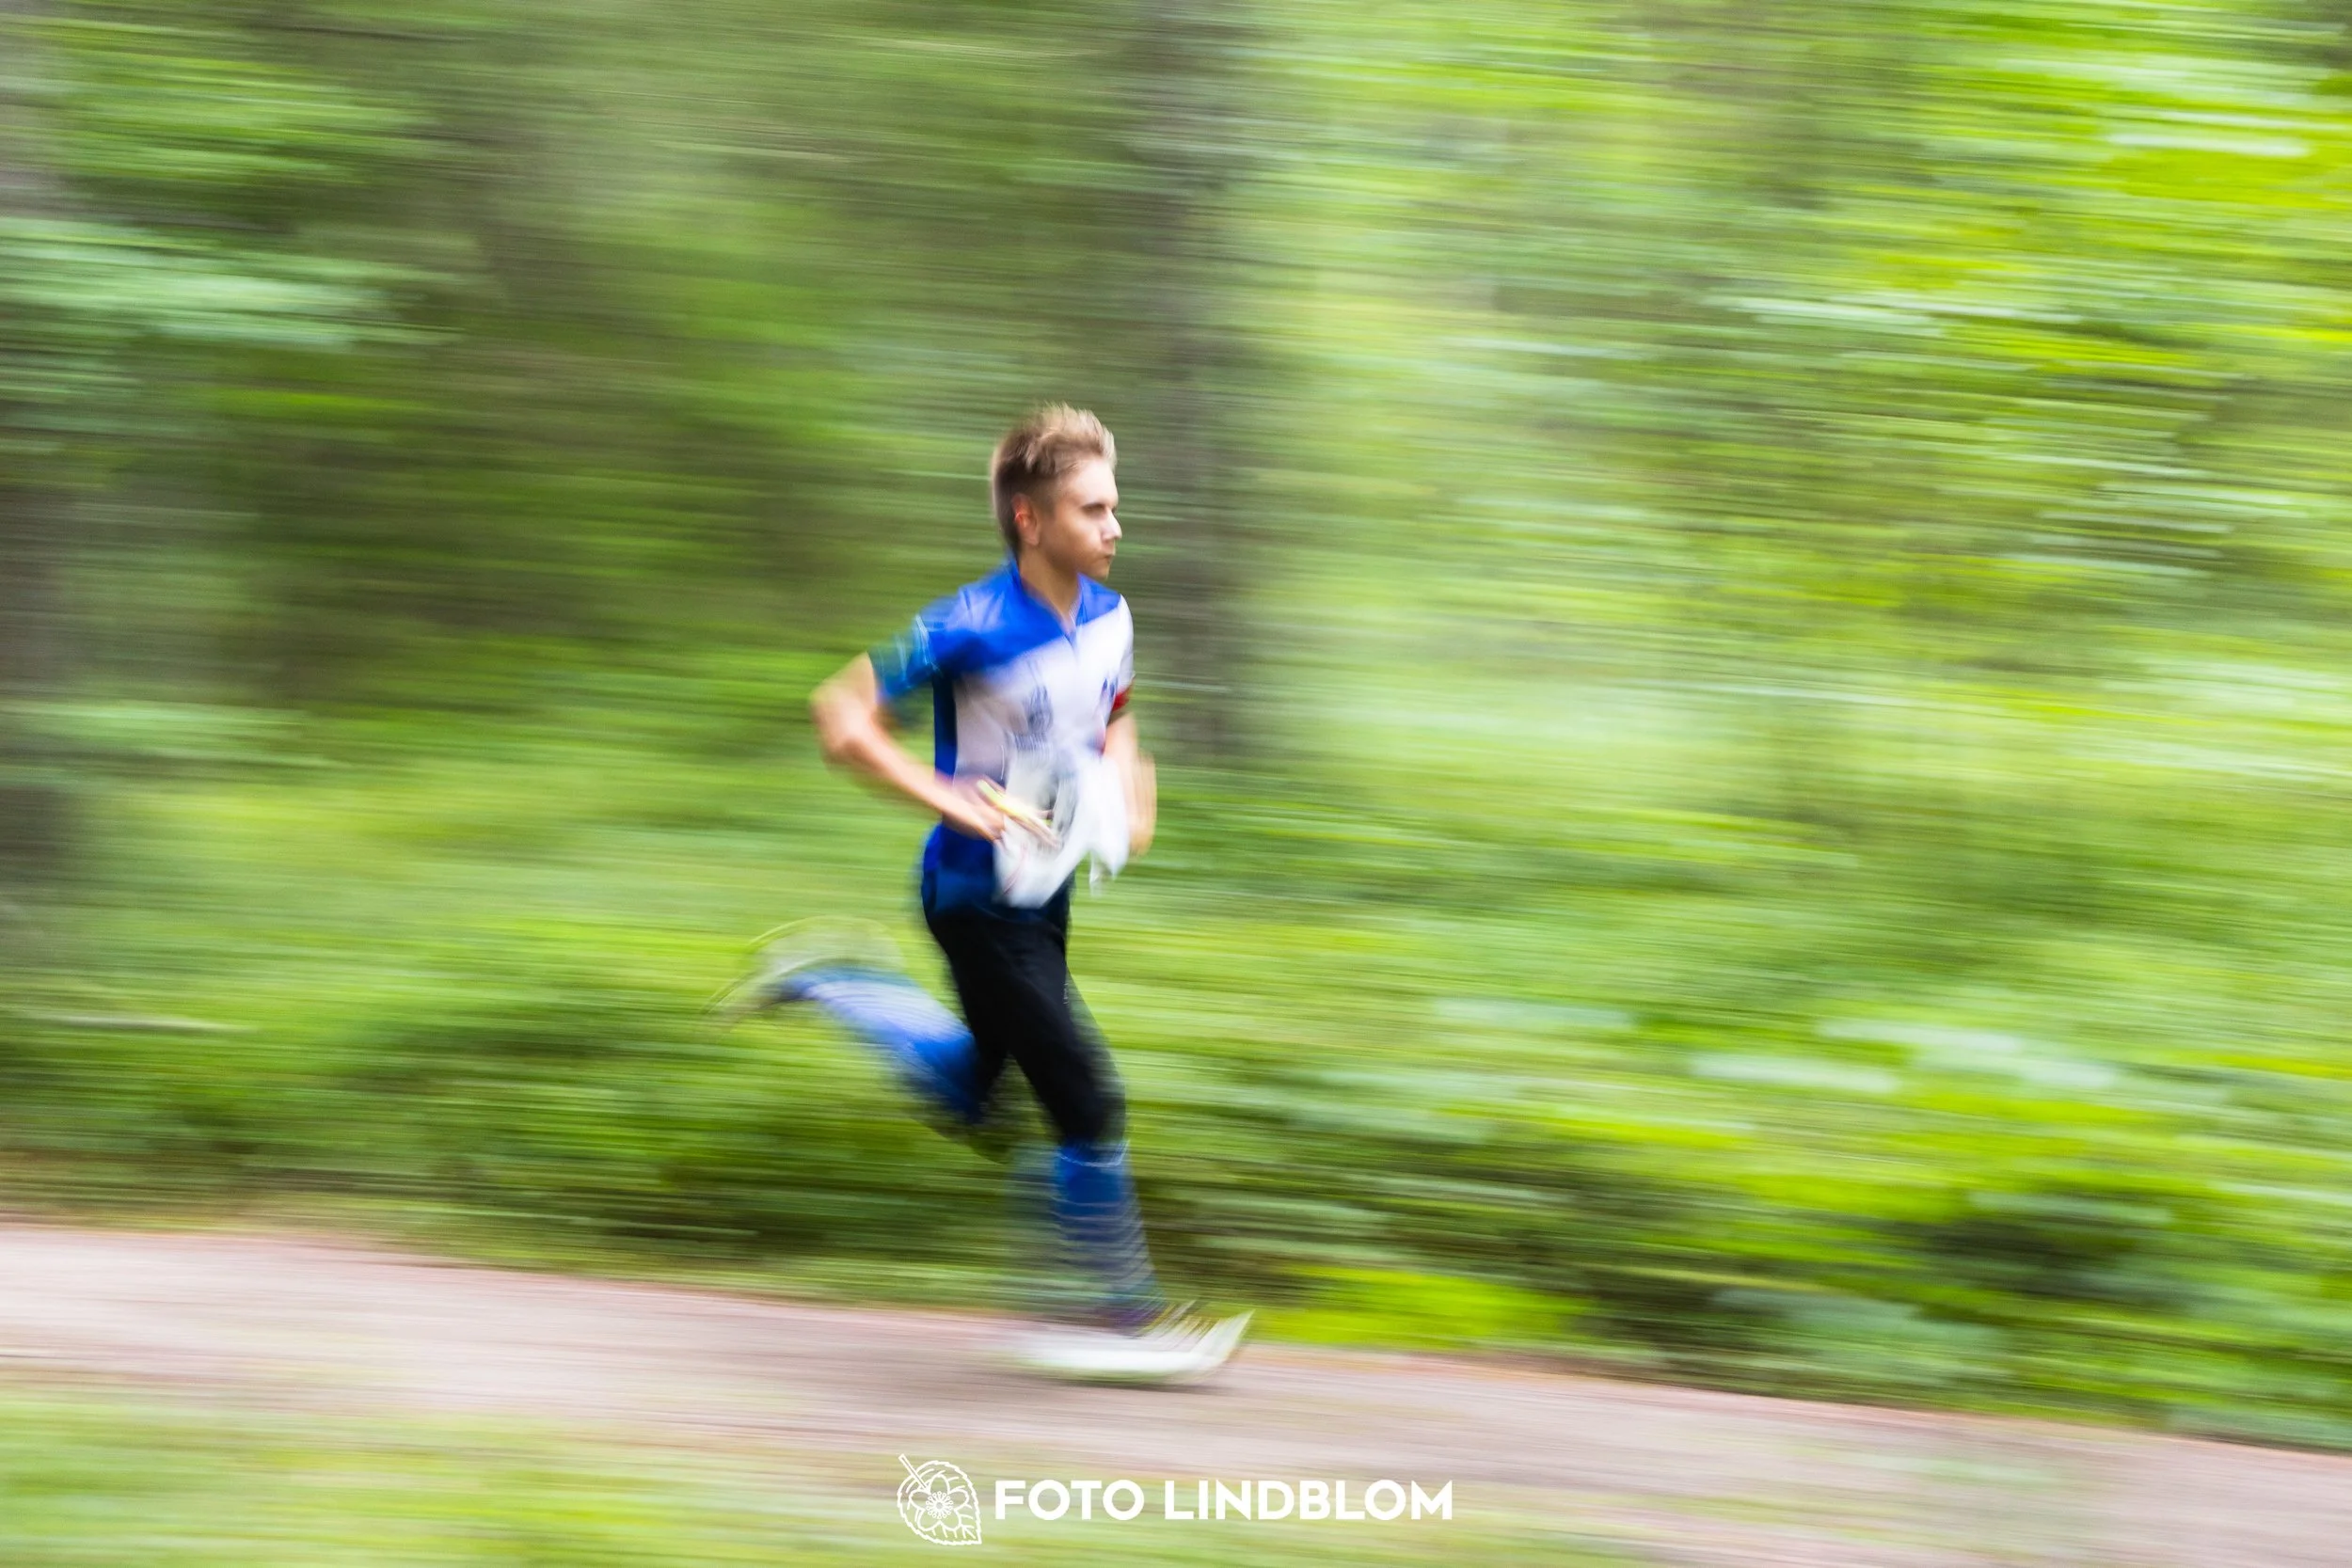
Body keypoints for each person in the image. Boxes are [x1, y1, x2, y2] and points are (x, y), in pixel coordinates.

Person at [720, 405, 1246, 1382]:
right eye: (1093, 510)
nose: (1114, 527)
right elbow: (839, 715)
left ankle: (835, 981)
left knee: (972, 1091)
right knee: (1087, 1099)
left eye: (1116, 506)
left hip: (1043, 896)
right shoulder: (966, 625)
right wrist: (945, 797)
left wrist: (1135, 800)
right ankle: (1110, 1317)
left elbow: (1118, 720)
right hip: (970, 895)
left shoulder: (1110, 615)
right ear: (1028, 518)